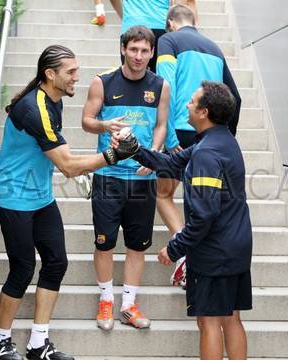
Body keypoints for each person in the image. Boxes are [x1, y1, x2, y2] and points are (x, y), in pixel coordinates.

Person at [0, 45, 137, 360]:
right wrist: (112, 156)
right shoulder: (35, 109)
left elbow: (66, 157)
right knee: (23, 268)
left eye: (76, 70)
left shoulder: (54, 102)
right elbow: (69, 166)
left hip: (40, 195)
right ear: (50, 74)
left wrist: (99, 155)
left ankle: (37, 344)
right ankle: (1, 341)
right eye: (70, 72)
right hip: (14, 196)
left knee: (56, 262)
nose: (76, 77)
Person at [115, 81, 253, 360]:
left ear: (204, 112)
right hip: (236, 245)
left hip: (215, 252)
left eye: (192, 101)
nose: (187, 105)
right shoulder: (222, 140)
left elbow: (204, 215)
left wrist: (175, 248)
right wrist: (134, 149)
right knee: (231, 318)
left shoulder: (206, 154)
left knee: (209, 321)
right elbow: (172, 164)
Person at [81, 26, 169, 331]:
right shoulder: (102, 81)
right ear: (122, 49)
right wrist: (105, 126)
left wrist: (154, 154)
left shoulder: (160, 85)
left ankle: (129, 306)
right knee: (104, 243)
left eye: (145, 51)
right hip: (108, 175)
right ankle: (106, 301)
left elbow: (161, 125)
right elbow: (86, 121)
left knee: (137, 245)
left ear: (152, 53)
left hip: (143, 179)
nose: (139, 56)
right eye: (133, 49)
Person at [155, 5, 242, 283]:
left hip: (180, 131)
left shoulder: (168, 40)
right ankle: (193, 253)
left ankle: (184, 253)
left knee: (163, 195)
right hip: (209, 133)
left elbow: (164, 88)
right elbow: (235, 97)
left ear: (170, 23)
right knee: (202, 200)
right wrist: (226, 135)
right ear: (195, 21)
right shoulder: (214, 47)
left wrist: (168, 140)